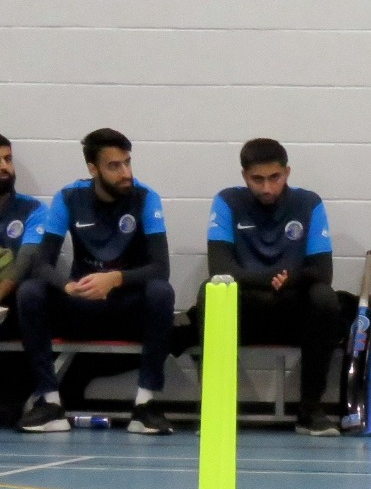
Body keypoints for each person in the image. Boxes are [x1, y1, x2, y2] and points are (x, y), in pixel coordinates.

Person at [16, 128, 175, 435]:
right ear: (93, 169)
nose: (126, 172)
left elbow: (161, 267)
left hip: (127, 306)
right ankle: (50, 404)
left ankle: (145, 407)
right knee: (30, 291)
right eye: (115, 166)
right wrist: (67, 287)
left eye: (127, 162)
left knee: (161, 291)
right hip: (82, 302)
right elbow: (41, 262)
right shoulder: (69, 197)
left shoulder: (146, 198)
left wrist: (115, 279)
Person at [195, 138, 342, 436]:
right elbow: (221, 269)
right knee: (210, 293)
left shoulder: (309, 203)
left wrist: (292, 281)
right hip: (247, 311)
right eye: (257, 179)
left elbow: (322, 272)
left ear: (287, 172)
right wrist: (274, 279)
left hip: (291, 311)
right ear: (244, 176)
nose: (266, 188)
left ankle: (310, 409)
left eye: (274, 178)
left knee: (325, 298)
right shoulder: (227, 201)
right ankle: (220, 408)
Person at [0, 136, 47, 423]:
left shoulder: (34, 210)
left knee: (30, 293)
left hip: (13, 312)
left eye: (7, 159)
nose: (4, 167)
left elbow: (24, 263)